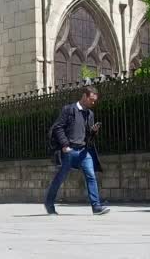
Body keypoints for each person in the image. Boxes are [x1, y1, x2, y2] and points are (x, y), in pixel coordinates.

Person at [45, 86, 109, 216]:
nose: (93, 102)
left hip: (84, 151)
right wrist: (64, 145)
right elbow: (58, 128)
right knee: (60, 178)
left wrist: (93, 132)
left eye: (94, 100)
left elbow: (88, 136)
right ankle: (49, 203)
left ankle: (96, 206)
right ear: (84, 96)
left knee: (91, 176)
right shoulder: (69, 110)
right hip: (69, 151)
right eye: (91, 99)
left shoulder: (90, 114)